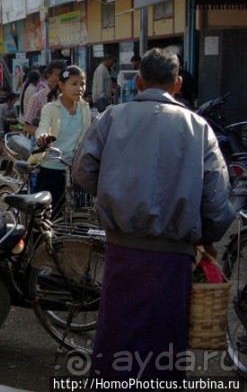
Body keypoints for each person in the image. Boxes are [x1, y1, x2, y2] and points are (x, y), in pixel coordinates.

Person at [73, 48, 235, 381]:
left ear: (139, 82)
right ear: (177, 84)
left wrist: (115, 195)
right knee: (163, 342)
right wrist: (205, 238)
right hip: (173, 258)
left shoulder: (112, 118)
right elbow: (218, 204)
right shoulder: (198, 128)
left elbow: (83, 171)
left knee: (118, 336)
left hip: (122, 250)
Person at [33, 65, 91, 206]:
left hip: (75, 168)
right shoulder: (50, 108)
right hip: (51, 166)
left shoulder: (85, 108)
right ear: (62, 85)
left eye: (82, 84)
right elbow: (43, 127)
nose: (79, 88)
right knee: (48, 215)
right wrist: (43, 137)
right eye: (74, 84)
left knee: (78, 212)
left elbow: (88, 135)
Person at [23, 60, 67, 137]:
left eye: (63, 76)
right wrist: (46, 136)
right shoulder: (37, 98)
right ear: (48, 76)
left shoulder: (69, 97)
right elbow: (28, 127)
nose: (61, 79)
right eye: (58, 75)